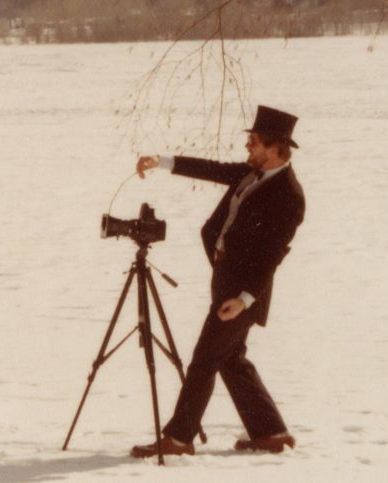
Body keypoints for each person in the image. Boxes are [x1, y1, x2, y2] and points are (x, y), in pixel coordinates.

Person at [129, 105, 306, 458]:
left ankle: (178, 439)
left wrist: (244, 298)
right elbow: (212, 169)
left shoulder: (289, 195)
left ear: (275, 149)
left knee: (205, 359)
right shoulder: (251, 173)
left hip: (242, 293)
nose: (248, 148)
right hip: (226, 281)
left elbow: (272, 255)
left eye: (254, 143)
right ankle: (271, 432)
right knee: (230, 358)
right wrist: (161, 161)